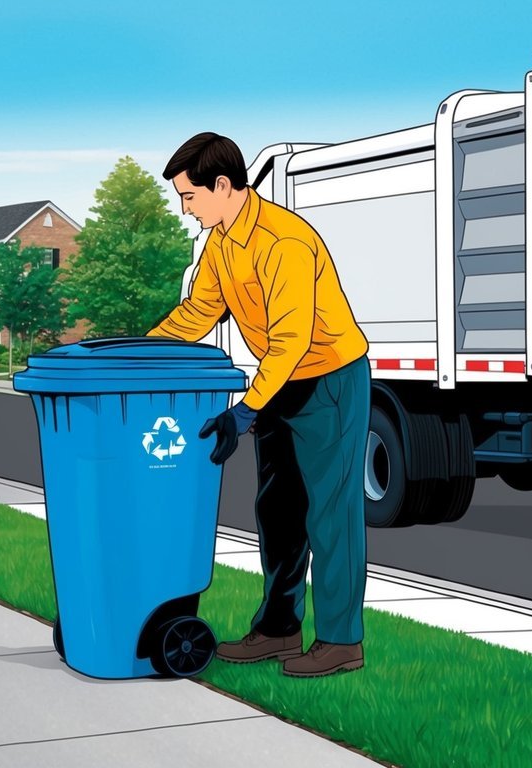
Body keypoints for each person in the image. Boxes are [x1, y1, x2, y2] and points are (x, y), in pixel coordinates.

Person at [148, 132, 371, 678]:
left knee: (331, 514)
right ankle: (278, 629)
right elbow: (199, 312)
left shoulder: (282, 241)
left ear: (222, 185)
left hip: (328, 381)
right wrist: (140, 353)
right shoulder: (222, 242)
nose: (185, 209)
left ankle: (342, 642)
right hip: (279, 382)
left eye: (190, 196)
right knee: (277, 511)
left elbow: (291, 341)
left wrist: (244, 410)